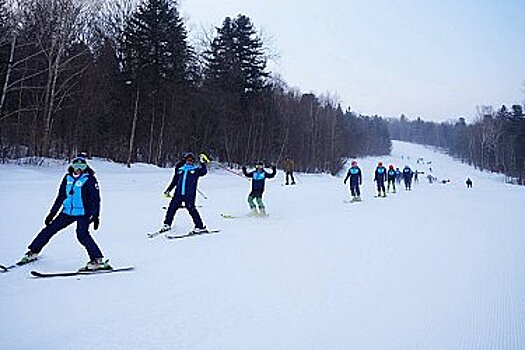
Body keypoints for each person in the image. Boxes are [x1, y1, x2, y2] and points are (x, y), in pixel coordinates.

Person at [19, 155, 110, 271]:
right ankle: (33, 251)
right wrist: (52, 213)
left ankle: (97, 260)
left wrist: (96, 215)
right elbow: (61, 196)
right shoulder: (67, 178)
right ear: (72, 166)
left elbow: (95, 199)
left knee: (82, 235)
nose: (78, 169)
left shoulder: (89, 179)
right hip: (67, 212)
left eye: (81, 166)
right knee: (49, 229)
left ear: (85, 167)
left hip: (83, 213)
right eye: (76, 166)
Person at [161, 152, 208, 233]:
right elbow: (174, 181)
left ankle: (200, 227)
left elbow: (204, 172)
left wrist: (203, 163)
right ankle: (167, 224)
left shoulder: (195, 170)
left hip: (189, 194)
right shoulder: (180, 170)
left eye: (191, 160)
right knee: (171, 208)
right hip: (178, 194)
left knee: (191, 209)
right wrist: (168, 190)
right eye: (188, 160)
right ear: (185, 160)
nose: (189, 161)